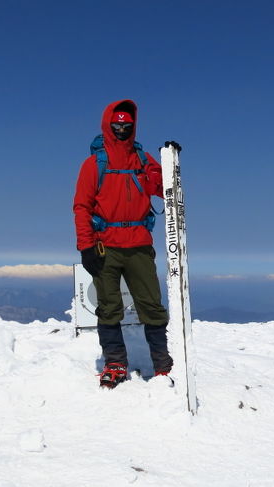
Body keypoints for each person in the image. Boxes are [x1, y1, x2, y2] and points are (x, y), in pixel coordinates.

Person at [73, 99, 179, 389]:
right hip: (105, 246)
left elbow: (164, 190)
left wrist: (170, 163)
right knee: (109, 306)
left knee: (151, 305)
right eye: (117, 124)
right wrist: (86, 246)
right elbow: (81, 206)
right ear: (108, 125)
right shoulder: (95, 164)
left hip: (139, 245)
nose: (122, 129)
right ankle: (115, 363)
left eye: (127, 125)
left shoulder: (143, 160)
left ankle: (162, 365)